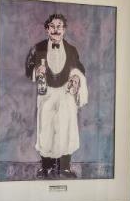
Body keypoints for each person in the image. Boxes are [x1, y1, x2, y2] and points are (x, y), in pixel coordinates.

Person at [23, 13, 89, 178]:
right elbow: (28, 68)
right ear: (47, 29)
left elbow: (80, 69)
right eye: (52, 26)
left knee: (66, 129)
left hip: (65, 94)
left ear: (64, 30)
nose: (56, 30)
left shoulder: (72, 50)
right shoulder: (38, 48)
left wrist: (75, 77)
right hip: (46, 93)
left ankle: (64, 167)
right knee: (45, 129)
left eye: (59, 26)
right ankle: (46, 167)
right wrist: (36, 71)